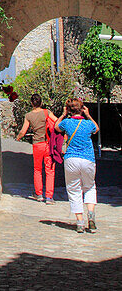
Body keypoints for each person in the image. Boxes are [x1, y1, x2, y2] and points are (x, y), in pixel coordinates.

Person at [55, 97, 100, 233]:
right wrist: (88, 115)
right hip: (88, 159)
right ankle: (91, 216)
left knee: (74, 190)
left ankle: (80, 222)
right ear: (82, 109)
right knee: (90, 187)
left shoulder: (67, 123)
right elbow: (96, 129)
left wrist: (63, 114)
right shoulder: (87, 124)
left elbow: (56, 126)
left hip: (71, 159)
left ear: (69, 110)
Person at [17, 93, 57, 202]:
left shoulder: (28, 115)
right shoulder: (46, 112)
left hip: (37, 145)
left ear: (31, 103)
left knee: (37, 170)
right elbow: (57, 122)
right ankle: (49, 196)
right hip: (47, 144)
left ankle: (39, 194)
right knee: (49, 170)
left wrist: (18, 137)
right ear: (41, 102)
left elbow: (23, 131)